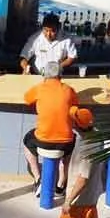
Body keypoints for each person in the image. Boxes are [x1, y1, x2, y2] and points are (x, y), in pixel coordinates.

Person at [27, 109, 102, 218]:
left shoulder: (88, 148)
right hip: (92, 194)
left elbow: (83, 178)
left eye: (73, 120)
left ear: (77, 125)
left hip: (80, 199)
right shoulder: (95, 135)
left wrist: (68, 200)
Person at [23, 60, 80, 193]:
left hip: (43, 140)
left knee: (27, 141)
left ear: (44, 74)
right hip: (65, 142)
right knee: (68, 152)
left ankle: (38, 179)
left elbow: (26, 99)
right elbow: (76, 105)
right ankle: (61, 184)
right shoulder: (69, 90)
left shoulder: (39, 88)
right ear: (61, 75)